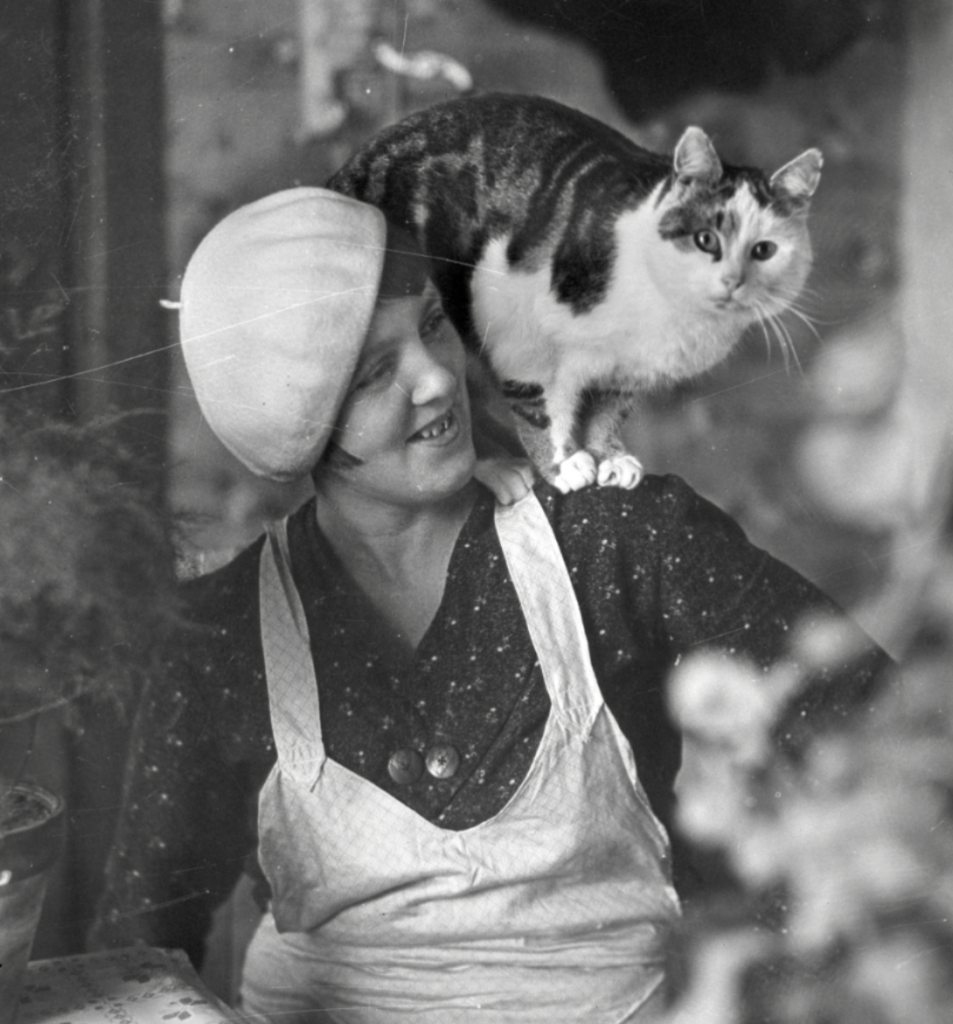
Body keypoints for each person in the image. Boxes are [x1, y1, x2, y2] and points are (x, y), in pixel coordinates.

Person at [90, 188, 890, 1022]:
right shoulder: (221, 636)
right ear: (297, 425)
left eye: (433, 326)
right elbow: (133, 954)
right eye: (373, 373)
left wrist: (766, 976)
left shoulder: (617, 540)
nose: (436, 379)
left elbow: (888, 726)